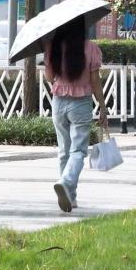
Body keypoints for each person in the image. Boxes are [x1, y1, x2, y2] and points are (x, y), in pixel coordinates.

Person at [44, 16, 108, 213]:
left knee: (64, 150)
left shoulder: (53, 47)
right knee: (78, 151)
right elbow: (95, 81)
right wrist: (102, 105)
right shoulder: (90, 48)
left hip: (58, 102)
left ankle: (70, 197)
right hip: (80, 104)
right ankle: (66, 182)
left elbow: (49, 77)